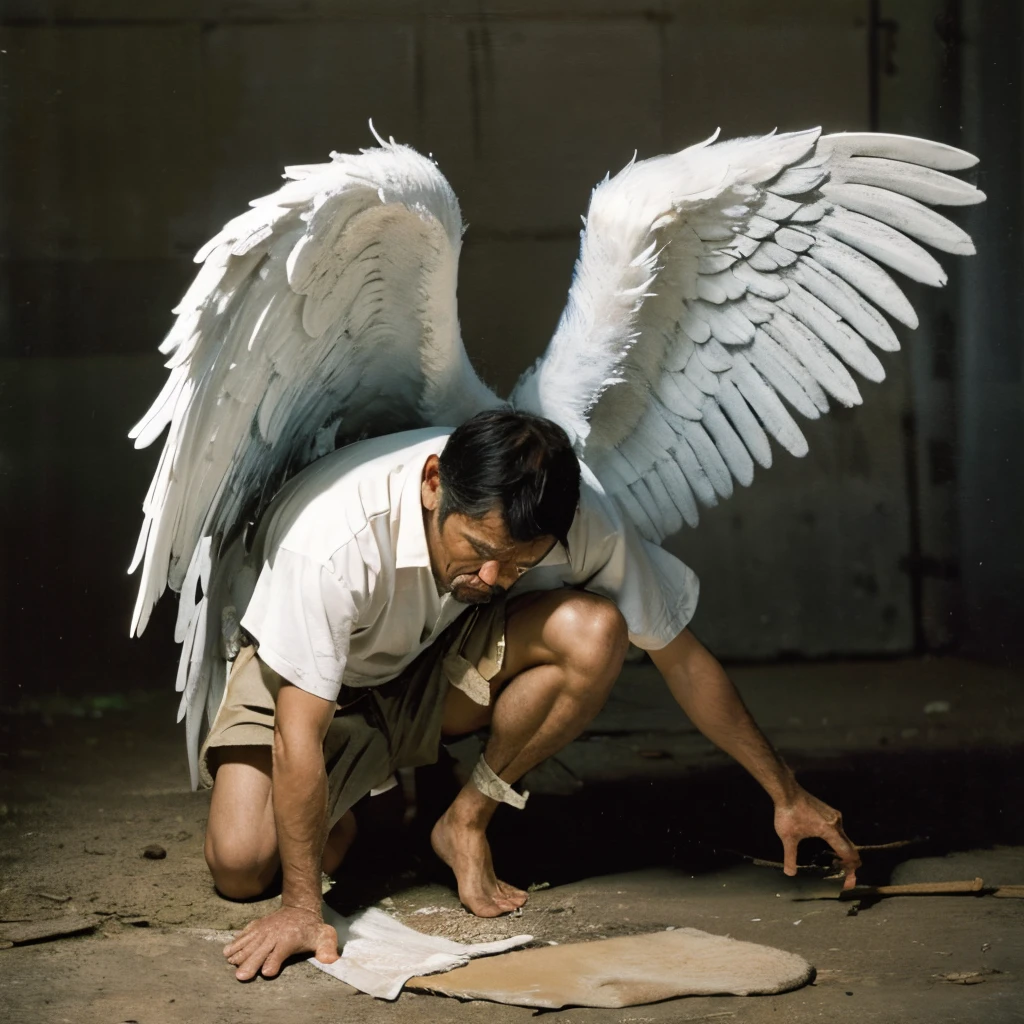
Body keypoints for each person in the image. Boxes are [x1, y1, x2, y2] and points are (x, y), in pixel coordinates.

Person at [205, 409, 860, 982]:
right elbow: (298, 730)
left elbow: (683, 660)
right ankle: (348, 802)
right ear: (434, 483)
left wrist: (786, 792)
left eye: (517, 565)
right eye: (479, 549)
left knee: (597, 630)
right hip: (307, 678)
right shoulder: (333, 542)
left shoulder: (584, 519)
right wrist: (300, 908)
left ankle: (462, 820)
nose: (491, 579)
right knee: (240, 867)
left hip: (426, 663)